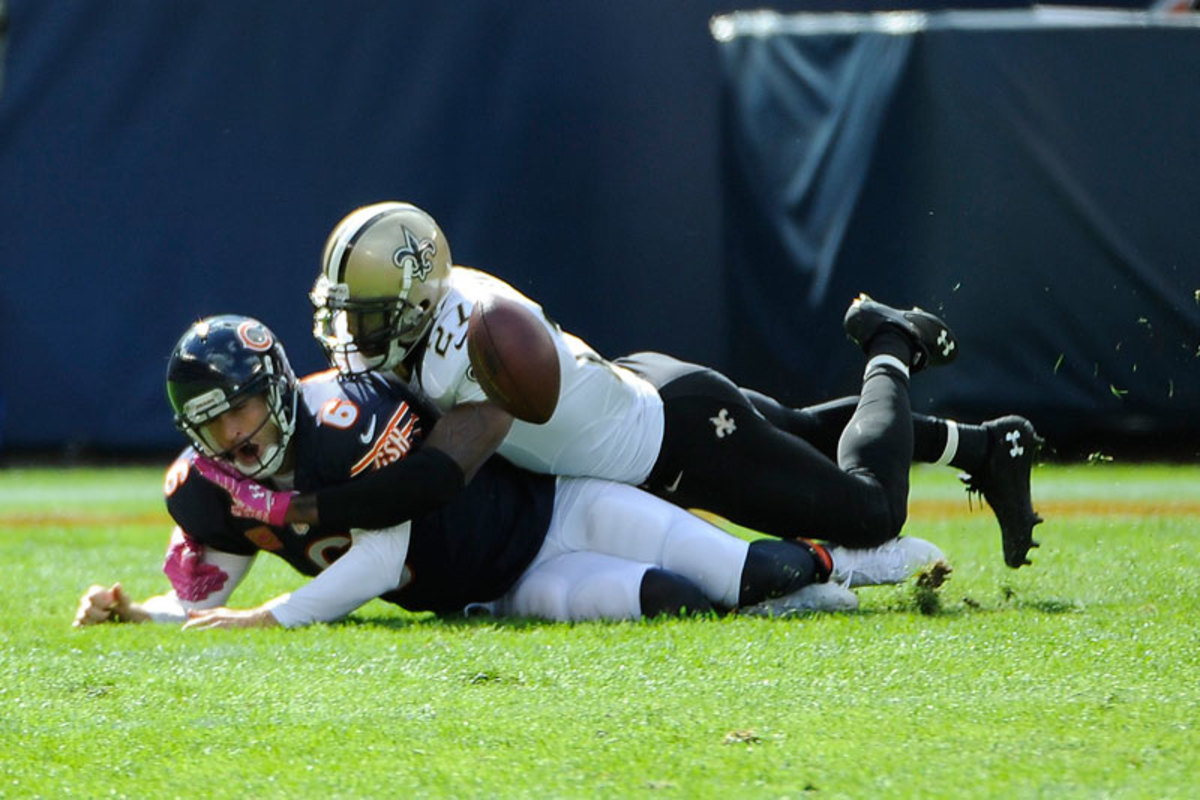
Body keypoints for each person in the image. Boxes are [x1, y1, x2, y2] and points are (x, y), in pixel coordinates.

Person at [73, 315, 944, 631]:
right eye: (210, 423)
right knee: (680, 603)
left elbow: (378, 558)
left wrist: (272, 618)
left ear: (272, 387)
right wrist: (139, 614)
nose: (231, 435)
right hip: (496, 594)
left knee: (742, 572)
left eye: (239, 407)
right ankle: (800, 588)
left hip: (557, 516)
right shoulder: (204, 486)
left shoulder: (348, 416)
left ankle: (857, 560)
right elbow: (202, 603)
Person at [298, 202, 1041, 567]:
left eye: (368, 317)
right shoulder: (434, 320)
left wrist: (311, 507)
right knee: (810, 438)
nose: (351, 336)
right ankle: (986, 447)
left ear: (419, 299)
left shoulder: (484, 340)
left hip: (678, 441)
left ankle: (890, 342)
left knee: (870, 512)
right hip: (650, 396)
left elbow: (435, 478)